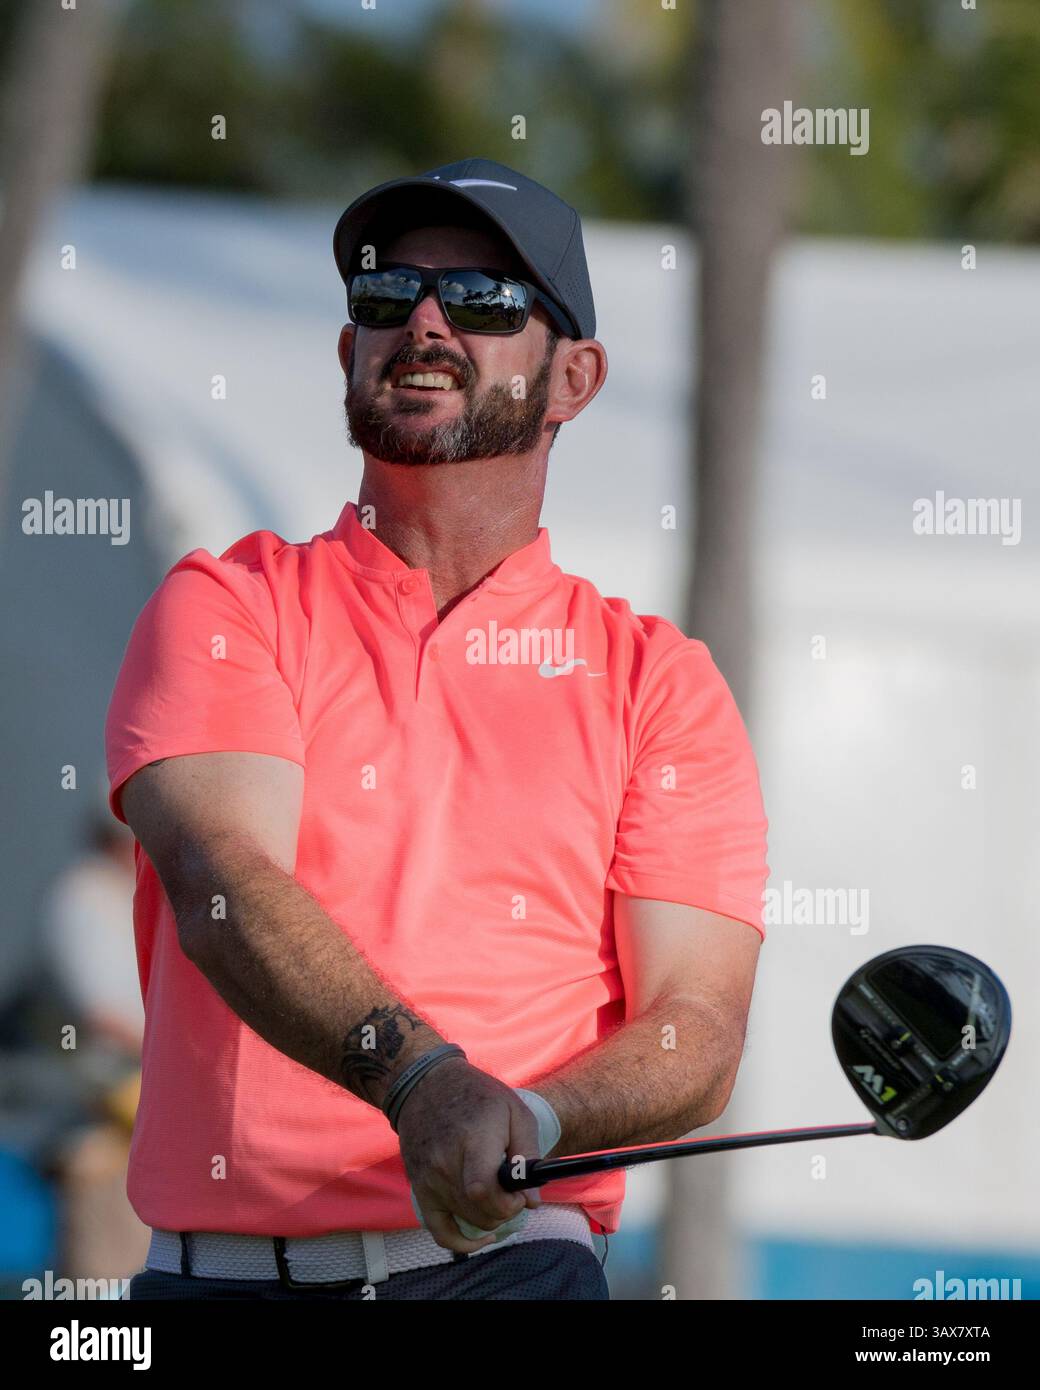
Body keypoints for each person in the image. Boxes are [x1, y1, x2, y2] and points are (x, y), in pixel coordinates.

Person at [105, 157, 769, 1301]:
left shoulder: (657, 680)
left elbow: (696, 1026)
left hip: (510, 1276)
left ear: (573, 377)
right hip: (216, 1283)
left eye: (479, 301)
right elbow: (223, 879)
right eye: (384, 294)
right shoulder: (227, 602)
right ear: (346, 352)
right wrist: (423, 1082)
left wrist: (534, 1117)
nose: (421, 321)